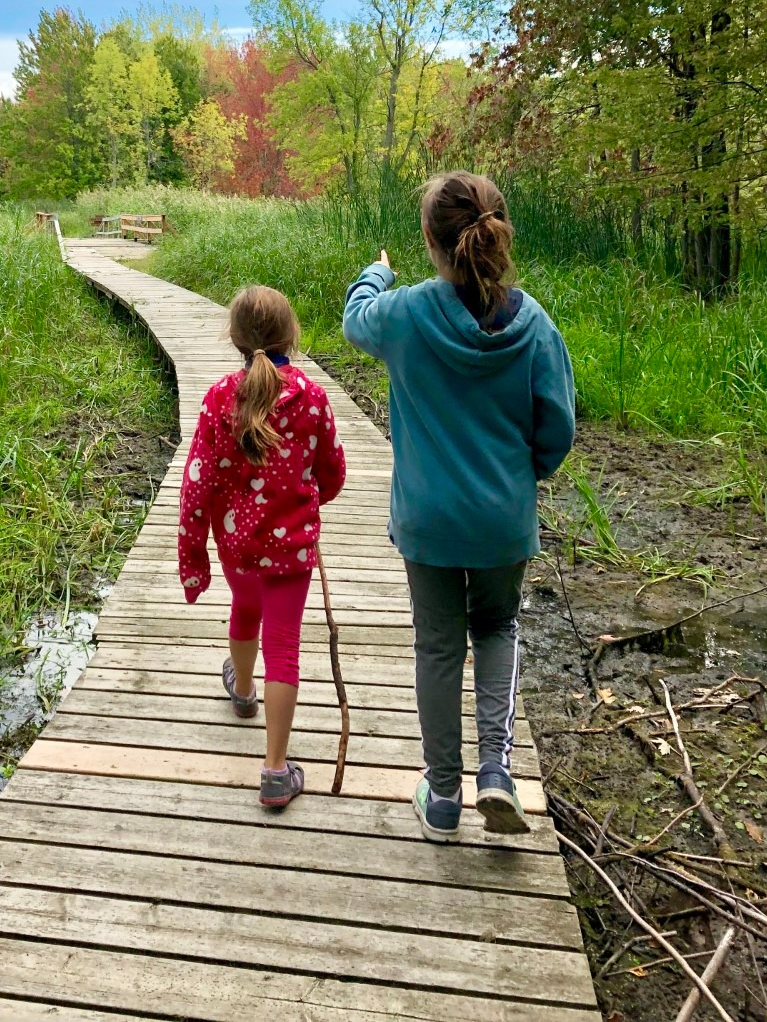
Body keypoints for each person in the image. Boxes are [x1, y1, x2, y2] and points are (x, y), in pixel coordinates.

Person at [342, 171, 574, 842]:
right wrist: (519, 478)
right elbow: (557, 428)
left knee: (437, 646)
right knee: (497, 629)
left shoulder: (407, 312)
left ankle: (442, 795)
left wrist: (373, 275)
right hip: (503, 520)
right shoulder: (533, 326)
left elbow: (355, 320)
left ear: (430, 243)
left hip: (429, 521)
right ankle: (496, 773)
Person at [178, 285, 346, 809]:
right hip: (292, 548)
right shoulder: (312, 397)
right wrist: (312, 496)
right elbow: (333, 471)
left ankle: (244, 691)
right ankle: (275, 770)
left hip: (237, 543)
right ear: (291, 335)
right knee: (285, 648)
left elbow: (196, 483)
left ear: (234, 338)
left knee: (244, 609)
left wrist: (194, 551)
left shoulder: (217, 399)